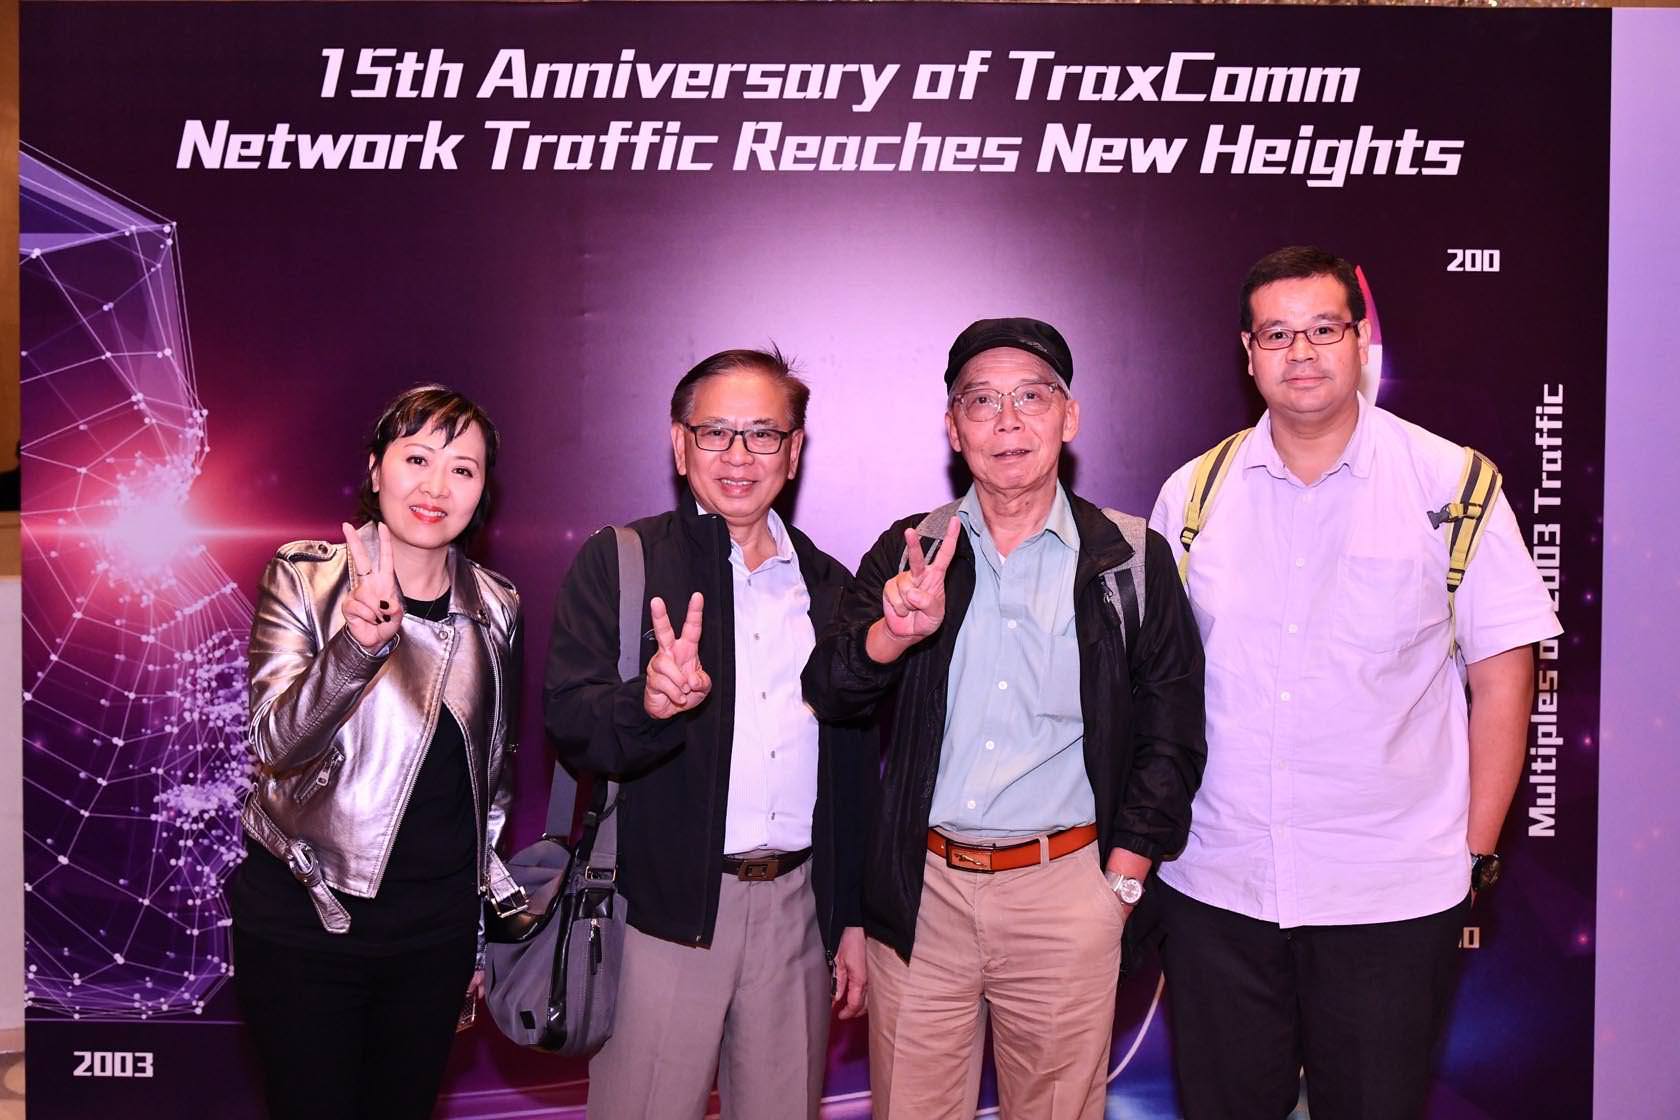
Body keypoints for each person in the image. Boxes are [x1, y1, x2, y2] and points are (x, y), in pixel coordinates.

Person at [1148, 246, 1563, 1119]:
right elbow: (1160, 688)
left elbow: (1504, 679)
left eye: (1323, 329)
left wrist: (1475, 851)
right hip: (1219, 885)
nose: (1300, 352)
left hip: (1390, 893)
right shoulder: (1192, 495)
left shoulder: (1453, 485)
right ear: (1248, 352)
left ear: (1361, 339)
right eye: (1277, 334)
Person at [803, 318, 1207, 1120]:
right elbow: (832, 691)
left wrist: (1120, 885)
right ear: (954, 429)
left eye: (1032, 397)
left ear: (1070, 416)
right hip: (924, 896)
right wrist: (892, 634)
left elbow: (1172, 735)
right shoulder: (913, 550)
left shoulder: (1130, 557)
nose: (1008, 421)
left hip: (1067, 893)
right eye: (982, 401)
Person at [544, 347, 875, 1120]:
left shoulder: (831, 587)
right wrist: (649, 705)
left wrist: (851, 916)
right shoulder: (622, 562)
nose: (738, 456)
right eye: (715, 432)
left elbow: (856, 770)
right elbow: (571, 723)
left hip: (797, 918)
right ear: (679, 443)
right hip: (662, 918)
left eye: (762, 434)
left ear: (794, 451)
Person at [230, 385, 524, 1120]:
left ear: (482, 491)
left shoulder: (497, 605)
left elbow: (490, 783)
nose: (436, 487)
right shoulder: (303, 576)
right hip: (307, 922)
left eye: (462, 469)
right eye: (416, 458)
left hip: (433, 937)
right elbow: (274, 744)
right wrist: (356, 648)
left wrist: (476, 937)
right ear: (375, 468)